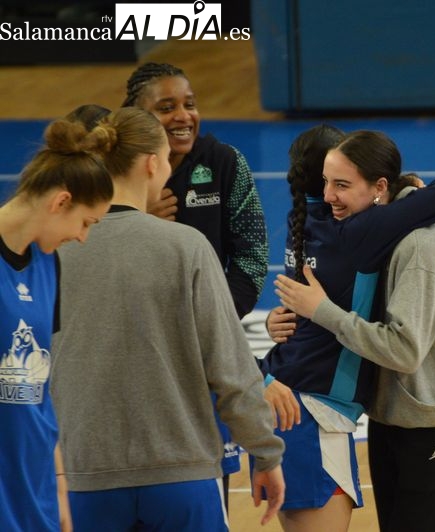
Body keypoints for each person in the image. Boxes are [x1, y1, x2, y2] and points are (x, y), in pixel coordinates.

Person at [49, 107, 285, 530]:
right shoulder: (186, 246)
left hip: (86, 476)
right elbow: (230, 366)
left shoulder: (56, 250)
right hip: (182, 474)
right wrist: (265, 452)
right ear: (152, 163)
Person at [262, 127, 435, 532]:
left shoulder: (303, 220)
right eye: (333, 181)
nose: (334, 192)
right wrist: (405, 188)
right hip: (311, 412)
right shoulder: (359, 231)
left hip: (297, 402)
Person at [122, 61, 270, 502]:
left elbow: (252, 257)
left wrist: (212, 322)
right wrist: (136, 217)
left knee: (203, 477)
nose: (183, 116)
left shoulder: (224, 162)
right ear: (138, 115)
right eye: (166, 107)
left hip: (201, 350)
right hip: (131, 344)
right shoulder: (114, 172)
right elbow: (86, 249)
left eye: (189, 104)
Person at [0, 117, 114, 532]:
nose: (83, 237)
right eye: (86, 223)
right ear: (61, 201)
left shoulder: (48, 265)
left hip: (36, 489)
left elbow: (42, 385)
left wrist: (59, 483)